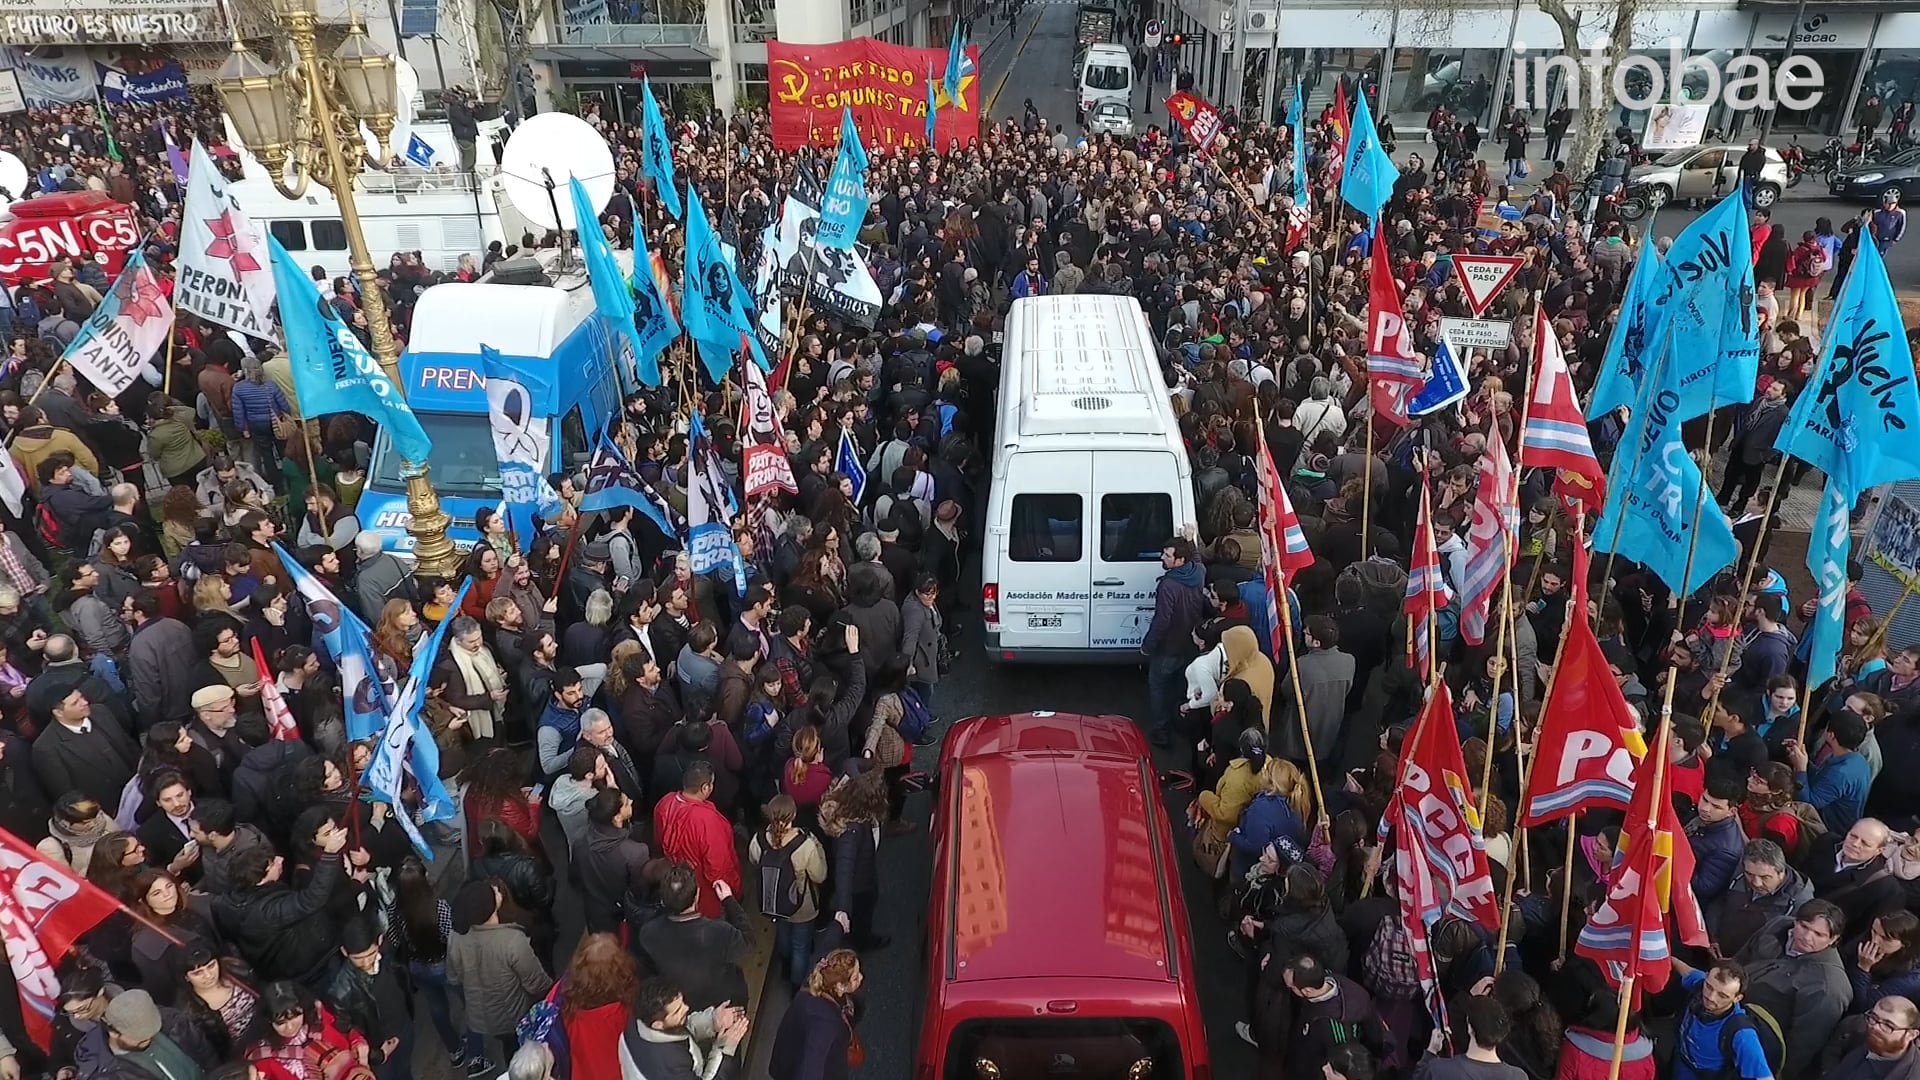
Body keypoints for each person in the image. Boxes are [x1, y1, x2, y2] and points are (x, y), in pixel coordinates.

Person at [446, 881, 552, 1066]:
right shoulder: (512, 941)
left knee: (508, 1046)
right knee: (522, 1051)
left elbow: (454, 977)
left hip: (481, 1016)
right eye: (492, 892)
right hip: (513, 1016)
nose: (496, 889)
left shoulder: (456, 937)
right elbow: (536, 983)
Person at [653, 760, 743, 918]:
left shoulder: (664, 804)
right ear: (705, 787)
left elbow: (659, 842)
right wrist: (733, 891)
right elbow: (719, 867)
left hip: (677, 888)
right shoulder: (707, 820)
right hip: (707, 895)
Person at [621, 976, 749, 1080]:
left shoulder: (642, 1017)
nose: (686, 1008)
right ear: (657, 1024)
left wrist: (713, 1020)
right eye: (677, 1011)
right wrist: (724, 1048)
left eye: (682, 1002)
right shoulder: (671, 1065)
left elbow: (678, 1029)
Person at [767, 949, 863, 1080]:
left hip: (787, 1061)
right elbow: (811, 1067)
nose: (861, 977)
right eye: (856, 977)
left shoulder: (811, 988)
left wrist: (837, 928)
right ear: (840, 986)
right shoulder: (827, 1025)